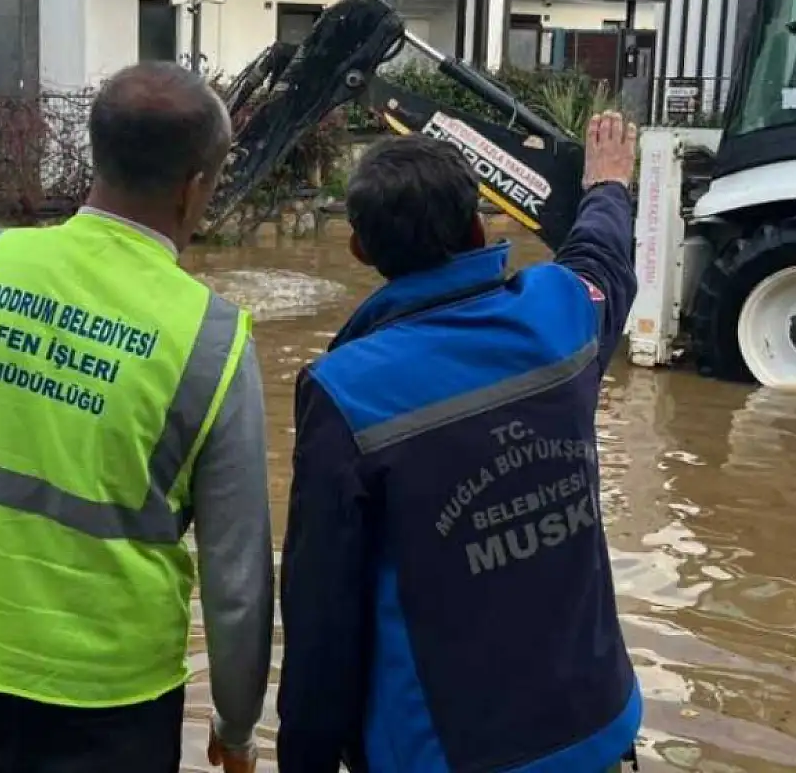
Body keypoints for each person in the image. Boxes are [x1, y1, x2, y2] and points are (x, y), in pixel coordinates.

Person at [0, 61, 274, 773]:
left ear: (95, 153)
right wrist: (236, 727)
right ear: (195, 186)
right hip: (115, 701)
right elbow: (236, 582)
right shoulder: (213, 342)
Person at [275, 112, 644, 773]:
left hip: (442, 754)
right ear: (478, 226)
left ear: (360, 251)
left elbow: (321, 616)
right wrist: (609, 186)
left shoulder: (346, 390)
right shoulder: (560, 318)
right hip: (595, 728)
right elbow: (603, 256)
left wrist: (305, 759)